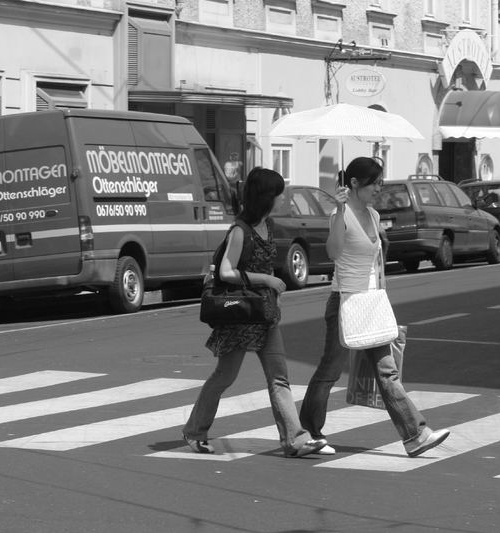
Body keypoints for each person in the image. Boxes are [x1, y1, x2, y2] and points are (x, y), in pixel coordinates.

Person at [299, 157, 450, 457]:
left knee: (387, 372)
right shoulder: (338, 214)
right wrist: (340, 211)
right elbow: (334, 252)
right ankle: (309, 432)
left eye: (381, 182)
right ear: (354, 184)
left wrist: (382, 296)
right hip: (345, 301)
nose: (380, 188)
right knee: (329, 371)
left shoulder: (373, 214)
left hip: (371, 302)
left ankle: (415, 435)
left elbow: (377, 263)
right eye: (375, 183)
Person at [183, 167, 326, 458]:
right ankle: (195, 431)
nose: (281, 198)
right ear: (265, 197)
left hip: (265, 313)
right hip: (241, 314)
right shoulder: (240, 230)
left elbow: (265, 261)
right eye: (277, 194)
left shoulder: (268, 225)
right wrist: (267, 281)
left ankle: (294, 440)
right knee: (225, 377)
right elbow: (226, 270)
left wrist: (274, 293)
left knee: (279, 377)